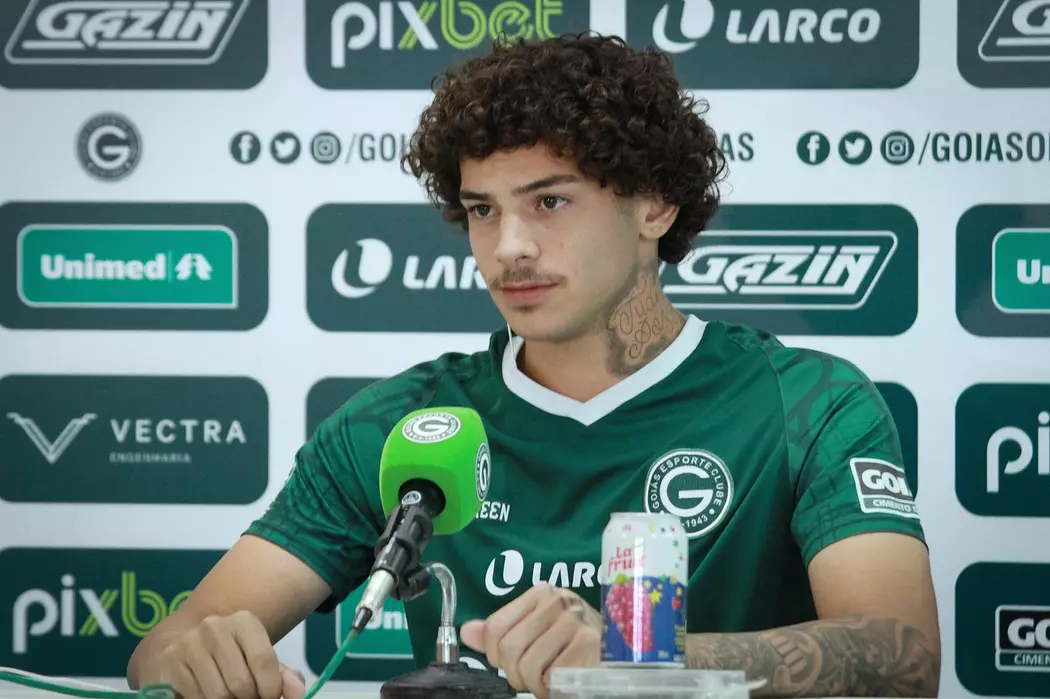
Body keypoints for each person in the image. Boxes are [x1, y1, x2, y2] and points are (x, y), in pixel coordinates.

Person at [126, 33, 941, 699]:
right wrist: (196, 660)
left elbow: (904, 656)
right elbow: (165, 644)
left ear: (655, 204)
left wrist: (638, 657)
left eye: (550, 201)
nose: (508, 247)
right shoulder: (398, 423)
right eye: (483, 210)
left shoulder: (809, 403)